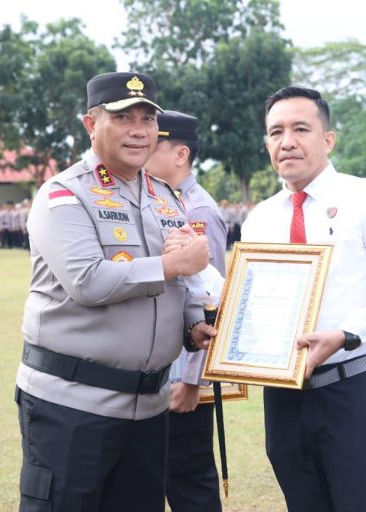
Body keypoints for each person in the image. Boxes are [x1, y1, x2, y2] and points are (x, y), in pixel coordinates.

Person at [15, 71, 216, 511]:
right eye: (123, 117)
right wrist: (170, 264)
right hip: (73, 406)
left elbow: (179, 284)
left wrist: (192, 325)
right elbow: (87, 280)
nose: (139, 130)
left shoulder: (166, 196)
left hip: (148, 409)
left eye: (147, 118)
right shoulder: (64, 195)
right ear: (91, 124)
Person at [240, 85, 366, 511]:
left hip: (351, 388)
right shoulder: (260, 219)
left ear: (328, 139)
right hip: (283, 397)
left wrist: (347, 333)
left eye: (300, 129)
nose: (287, 142)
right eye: (275, 132)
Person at [145, 110, 227, 512]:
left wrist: (194, 380)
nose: (142, 147)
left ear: (180, 154)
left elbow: (213, 298)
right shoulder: (159, 201)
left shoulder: (197, 211)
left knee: (189, 482)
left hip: (185, 373)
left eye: (154, 142)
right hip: (162, 367)